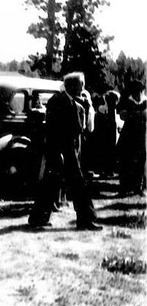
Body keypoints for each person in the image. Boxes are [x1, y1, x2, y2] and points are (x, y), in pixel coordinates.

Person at [28, 72, 101, 231]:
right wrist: (57, 153)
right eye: (81, 84)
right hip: (60, 152)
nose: (83, 88)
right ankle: (85, 220)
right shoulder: (57, 102)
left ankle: (38, 219)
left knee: (57, 185)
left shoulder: (74, 103)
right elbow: (52, 130)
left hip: (70, 153)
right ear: (72, 85)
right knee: (69, 186)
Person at [117, 79, 147, 196]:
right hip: (128, 135)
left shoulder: (145, 102)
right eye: (136, 92)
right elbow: (121, 115)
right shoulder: (126, 102)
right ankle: (123, 188)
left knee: (140, 161)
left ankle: (138, 187)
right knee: (126, 161)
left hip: (142, 135)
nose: (138, 94)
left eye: (140, 91)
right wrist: (131, 114)